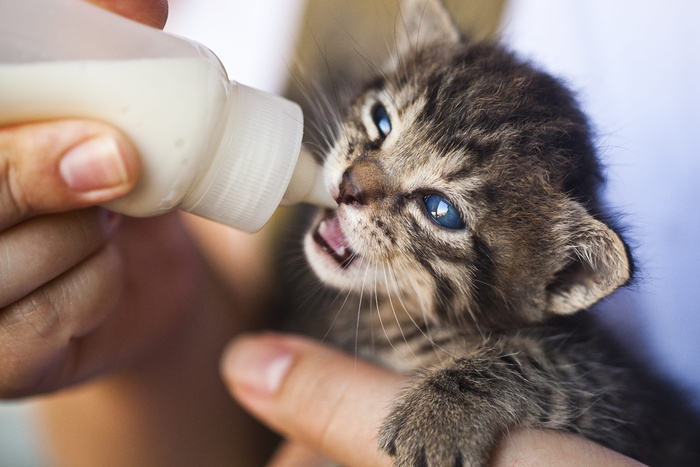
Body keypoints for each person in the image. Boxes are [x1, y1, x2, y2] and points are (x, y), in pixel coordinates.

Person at [0, 0, 644, 465]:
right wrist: (152, 340)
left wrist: (471, 393)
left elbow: (594, 392)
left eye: (439, 208)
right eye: (383, 122)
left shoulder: (522, 309)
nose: (355, 182)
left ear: (557, 277)